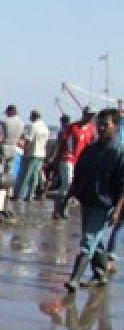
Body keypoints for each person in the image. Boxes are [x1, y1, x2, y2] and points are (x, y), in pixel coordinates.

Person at [63, 109, 124, 292]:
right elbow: (78, 177)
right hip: (87, 200)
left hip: (103, 204)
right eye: (100, 125)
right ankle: (100, 273)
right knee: (95, 242)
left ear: (116, 126)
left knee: (88, 241)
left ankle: (74, 279)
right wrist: (67, 198)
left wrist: (118, 210)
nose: (102, 128)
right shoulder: (90, 150)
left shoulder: (119, 153)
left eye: (106, 125)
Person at [54, 107, 97, 220]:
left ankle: (63, 209)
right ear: (84, 114)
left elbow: (92, 145)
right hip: (67, 158)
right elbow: (62, 142)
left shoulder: (92, 129)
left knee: (74, 186)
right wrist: (55, 158)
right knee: (67, 184)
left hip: (80, 161)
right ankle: (58, 210)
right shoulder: (72, 127)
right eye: (89, 115)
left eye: (92, 115)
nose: (91, 117)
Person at [15, 110, 50, 204]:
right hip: (41, 154)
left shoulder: (33, 126)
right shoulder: (45, 127)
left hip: (32, 154)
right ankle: (30, 195)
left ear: (33, 117)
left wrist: (24, 150)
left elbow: (29, 140)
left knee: (26, 175)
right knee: (35, 176)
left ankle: (19, 195)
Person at [0, 104, 25, 181]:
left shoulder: (3, 121)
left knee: (1, 168)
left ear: (9, 112)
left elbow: (0, 135)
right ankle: (9, 188)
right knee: (9, 169)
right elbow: (21, 137)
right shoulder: (21, 123)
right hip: (14, 147)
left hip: (5, 145)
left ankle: (0, 187)